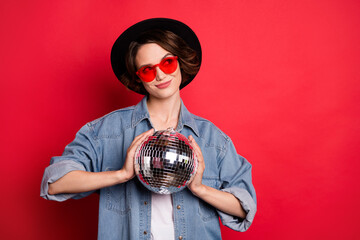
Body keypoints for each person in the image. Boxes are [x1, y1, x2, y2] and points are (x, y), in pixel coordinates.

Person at [40, 18, 257, 240]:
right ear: (138, 77)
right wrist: (121, 174)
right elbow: (55, 183)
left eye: (167, 63)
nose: (161, 75)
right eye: (147, 70)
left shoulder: (212, 139)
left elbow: (244, 207)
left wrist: (199, 188)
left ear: (180, 62)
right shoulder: (105, 132)